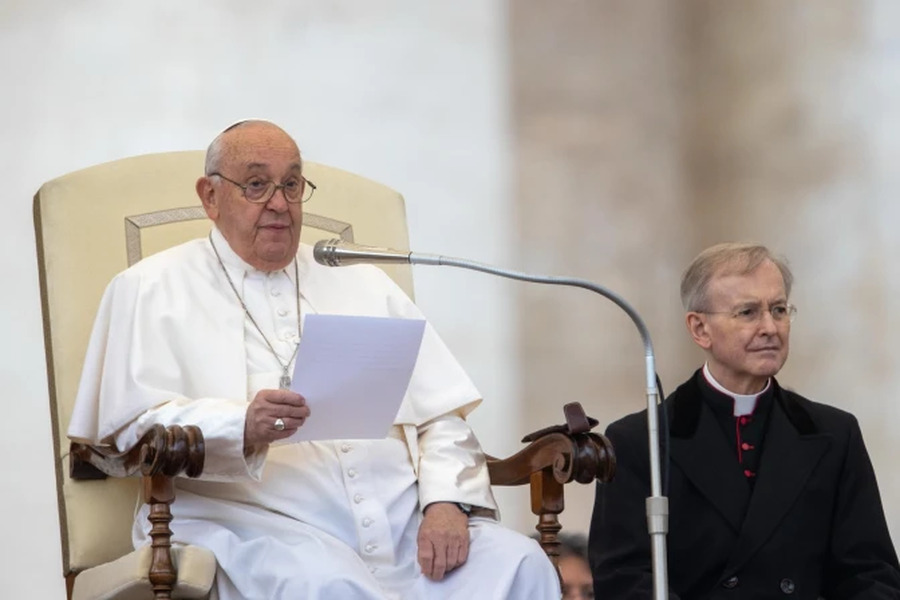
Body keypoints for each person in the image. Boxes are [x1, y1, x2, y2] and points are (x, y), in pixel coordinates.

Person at [67, 119, 560, 599]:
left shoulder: (361, 280)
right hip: (256, 528)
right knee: (328, 586)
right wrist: (242, 424)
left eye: (292, 184)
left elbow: (441, 416)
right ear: (210, 197)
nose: (279, 204)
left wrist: (446, 501)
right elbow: (133, 426)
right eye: (257, 185)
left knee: (521, 564)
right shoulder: (150, 288)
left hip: (407, 530)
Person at [589, 242, 900, 599]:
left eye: (779, 309)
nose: (770, 327)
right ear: (700, 328)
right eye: (748, 312)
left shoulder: (833, 433)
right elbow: (622, 577)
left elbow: (871, 574)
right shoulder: (640, 441)